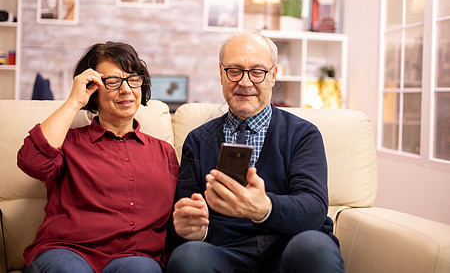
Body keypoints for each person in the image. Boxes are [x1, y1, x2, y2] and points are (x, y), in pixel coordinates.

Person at [166, 32, 345, 273]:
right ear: (221, 73)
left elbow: (313, 209)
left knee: (314, 245)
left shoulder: (303, 135)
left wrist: (264, 208)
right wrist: (194, 230)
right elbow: (183, 220)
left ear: (273, 75)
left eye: (257, 72)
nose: (245, 82)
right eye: (234, 70)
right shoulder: (198, 140)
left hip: (289, 247)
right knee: (187, 257)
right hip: (225, 252)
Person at [17, 41, 179, 273]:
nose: (126, 90)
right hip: (66, 251)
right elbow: (32, 162)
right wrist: (74, 101)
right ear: (93, 89)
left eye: (133, 79)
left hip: (135, 257)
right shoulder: (67, 142)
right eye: (113, 82)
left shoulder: (164, 152)